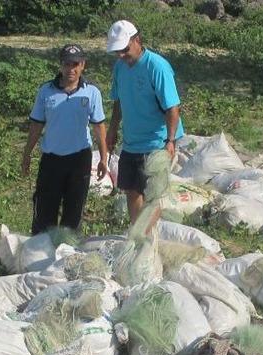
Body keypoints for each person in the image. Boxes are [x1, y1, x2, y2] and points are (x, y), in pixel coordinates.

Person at [22, 44, 108, 234]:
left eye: (76, 64)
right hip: (52, 159)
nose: (72, 69)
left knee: (73, 213)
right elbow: (36, 125)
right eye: (67, 64)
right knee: (44, 212)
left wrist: (103, 158)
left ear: (83, 65)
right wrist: (27, 154)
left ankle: (67, 254)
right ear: (60, 66)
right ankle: (40, 254)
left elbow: (99, 126)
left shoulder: (92, 92)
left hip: (79, 159)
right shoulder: (46, 91)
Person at [105, 20, 184, 224]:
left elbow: (172, 107)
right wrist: (112, 130)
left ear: (137, 40)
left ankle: (148, 238)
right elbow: (118, 101)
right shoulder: (120, 68)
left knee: (152, 195)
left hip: (156, 142)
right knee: (131, 190)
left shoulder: (157, 66)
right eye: (117, 51)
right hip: (132, 141)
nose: (121, 55)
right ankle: (136, 233)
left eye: (124, 49)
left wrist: (170, 141)